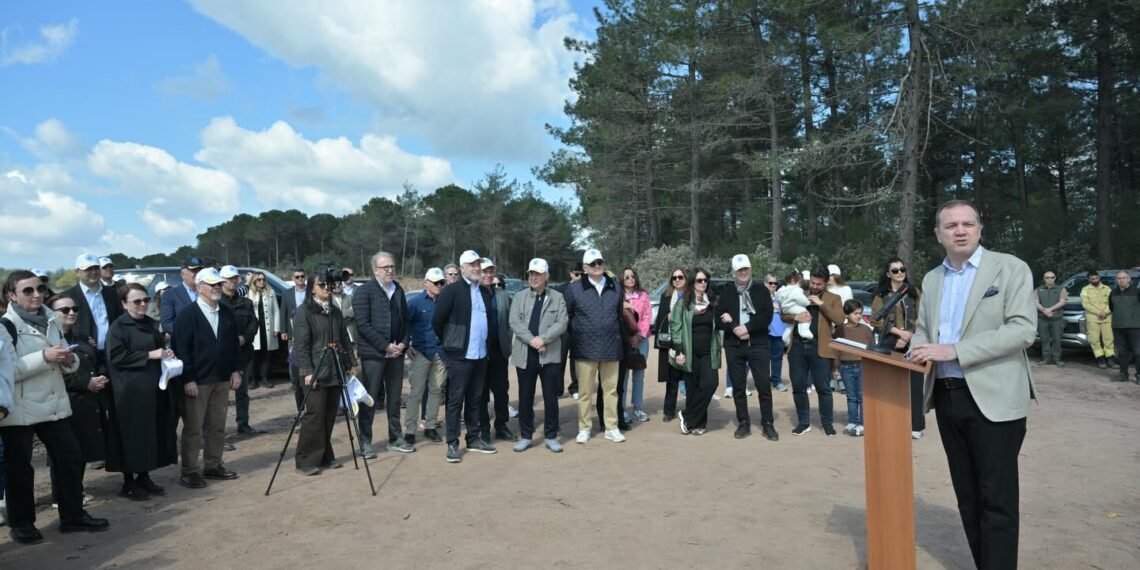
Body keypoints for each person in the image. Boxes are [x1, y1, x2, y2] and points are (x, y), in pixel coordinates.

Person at [910, 199, 1037, 570]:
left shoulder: (1010, 268)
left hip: (995, 399)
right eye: (951, 226)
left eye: (968, 223)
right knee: (967, 498)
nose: (960, 231)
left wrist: (955, 350)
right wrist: (916, 348)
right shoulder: (932, 279)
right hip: (947, 397)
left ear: (980, 229)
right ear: (938, 234)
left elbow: (1022, 330)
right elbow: (923, 330)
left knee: (997, 499)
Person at [0, 270, 110, 544]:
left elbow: (64, 359)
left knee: (70, 458)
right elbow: (8, 371)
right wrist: (45, 356)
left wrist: (70, 360)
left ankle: (72, 515)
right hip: (20, 409)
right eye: (28, 290)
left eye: (40, 289)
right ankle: (22, 523)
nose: (37, 294)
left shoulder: (50, 319)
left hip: (53, 404)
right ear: (11, 295)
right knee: (19, 468)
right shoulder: (5, 326)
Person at [104, 283, 179, 500]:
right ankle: (128, 481)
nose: (143, 304)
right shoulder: (119, 327)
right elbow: (116, 356)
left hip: (152, 387)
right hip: (130, 391)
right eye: (137, 301)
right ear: (124, 304)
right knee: (131, 435)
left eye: (146, 300)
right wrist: (149, 355)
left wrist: (166, 354)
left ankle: (144, 476)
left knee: (150, 433)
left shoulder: (149, 323)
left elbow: (157, 349)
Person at [173, 267, 242, 489]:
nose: (216, 287)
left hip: (221, 378)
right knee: (193, 428)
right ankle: (190, 470)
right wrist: (188, 379)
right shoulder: (187, 315)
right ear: (199, 286)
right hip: (198, 381)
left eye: (218, 284)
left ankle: (213, 465)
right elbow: (181, 349)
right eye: (211, 284)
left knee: (217, 426)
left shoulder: (226, 312)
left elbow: (233, 345)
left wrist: (235, 370)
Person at [432, 250, 497, 462]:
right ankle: (452, 443)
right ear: (462, 269)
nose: (476, 268)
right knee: (455, 401)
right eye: (471, 265)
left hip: (480, 355)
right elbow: (437, 320)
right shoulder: (452, 291)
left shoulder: (485, 292)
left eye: (477, 264)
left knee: (475, 399)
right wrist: (451, 344)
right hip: (459, 356)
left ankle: (473, 438)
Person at [292, 274, 357, 475]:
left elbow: (344, 338)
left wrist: (351, 362)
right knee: (314, 416)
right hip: (315, 370)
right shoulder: (304, 312)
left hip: (334, 368)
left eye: (329, 284)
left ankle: (324, 456)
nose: (327, 288)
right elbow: (301, 346)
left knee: (329, 415)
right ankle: (305, 460)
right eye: (322, 285)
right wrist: (307, 372)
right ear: (312, 288)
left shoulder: (335, 311)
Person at [47, 295, 109, 496]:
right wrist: (85, 383)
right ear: (52, 314)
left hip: (86, 402)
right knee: (63, 453)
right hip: (63, 402)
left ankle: (75, 492)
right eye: (65, 310)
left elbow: (97, 359)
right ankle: (61, 496)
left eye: (75, 309)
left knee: (80, 449)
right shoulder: (48, 342)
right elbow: (52, 374)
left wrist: (101, 376)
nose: (72, 313)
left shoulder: (82, 338)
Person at [353, 251, 413, 457]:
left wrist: (404, 343)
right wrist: (385, 346)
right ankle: (365, 442)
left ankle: (395, 438)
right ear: (375, 270)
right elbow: (363, 325)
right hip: (374, 355)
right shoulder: (364, 292)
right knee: (369, 398)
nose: (389, 270)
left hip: (396, 355)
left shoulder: (398, 290)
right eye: (385, 267)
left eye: (392, 266)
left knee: (394, 399)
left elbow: (406, 321)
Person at [563, 249, 626, 444]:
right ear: (585, 268)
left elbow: (618, 315)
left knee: (611, 390)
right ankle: (584, 428)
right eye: (592, 263)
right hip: (584, 348)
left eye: (599, 262)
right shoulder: (574, 289)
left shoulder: (616, 287)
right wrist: (579, 335)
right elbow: (568, 317)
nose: (597, 266)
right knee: (585, 392)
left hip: (611, 347)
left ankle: (611, 427)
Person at [508, 258, 569, 452]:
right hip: (526, 354)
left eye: (538, 274)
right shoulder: (519, 297)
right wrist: (532, 341)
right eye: (531, 274)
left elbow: (562, 322)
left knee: (551, 397)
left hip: (549, 355)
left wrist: (543, 339)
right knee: (525, 397)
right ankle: (526, 436)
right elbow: (514, 322)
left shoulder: (557, 297)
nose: (533, 277)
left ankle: (551, 436)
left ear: (546, 276)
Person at [716, 254, 778, 441]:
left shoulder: (761, 291)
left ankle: (768, 423)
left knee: (763, 384)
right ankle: (743, 422)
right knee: (738, 386)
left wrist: (748, 327)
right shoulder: (727, 292)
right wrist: (734, 327)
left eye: (745, 269)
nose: (743, 273)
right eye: (739, 270)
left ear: (750, 269)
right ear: (733, 272)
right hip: (734, 345)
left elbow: (766, 315)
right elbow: (718, 317)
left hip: (757, 343)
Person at [784, 266, 845, 436]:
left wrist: (821, 304)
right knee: (798, 386)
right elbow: (783, 314)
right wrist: (794, 317)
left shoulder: (833, 298)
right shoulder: (799, 294)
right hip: (797, 346)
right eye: (812, 282)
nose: (815, 286)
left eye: (819, 284)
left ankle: (827, 423)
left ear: (826, 283)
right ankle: (803, 422)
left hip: (820, 347)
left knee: (823, 388)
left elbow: (840, 319)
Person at [870, 257, 926, 439]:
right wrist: (898, 333)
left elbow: (922, 316)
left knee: (915, 385)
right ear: (888, 274)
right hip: (890, 342)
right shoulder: (881, 296)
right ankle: (892, 422)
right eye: (895, 270)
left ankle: (916, 426)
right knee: (891, 385)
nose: (900, 273)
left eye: (902, 269)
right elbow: (875, 321)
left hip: (913, 342)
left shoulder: (913, 292)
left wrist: (908, 334)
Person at [670, 268, 721, 436]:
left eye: (706, 280)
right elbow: (675, 327)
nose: (703, 283)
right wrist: (679, 351)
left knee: (710, 384)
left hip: (709, 352)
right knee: (693, 389)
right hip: (689, 352)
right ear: (692, 282)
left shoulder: (713, 302)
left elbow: (719, 322)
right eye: (700, 280)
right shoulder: (683, 303)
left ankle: (687, 415)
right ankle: (697, 423)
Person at [405, 268, 448, 444]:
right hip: (421, 352)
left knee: (436, 391)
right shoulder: (415, 303)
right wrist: (406, 345)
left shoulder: (446, 303)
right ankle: (410, 430)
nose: (439, 285)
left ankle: (430, 426)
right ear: (426, 283)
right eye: (436, 282)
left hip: (441, 353)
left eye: (442, 282)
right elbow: (404, 324)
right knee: (416, 392)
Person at [62, 253, 124, 375]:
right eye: (88, 269)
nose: (93, 272)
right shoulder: (67, 297)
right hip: (84, 356)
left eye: (96, 268)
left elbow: (119, 320)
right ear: (77, 272)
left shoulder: (112, 293)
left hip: (112, 353)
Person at [478, 259, 516, 442]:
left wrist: (507, 339)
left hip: (498, 350)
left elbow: (511, 320)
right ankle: (483, 429)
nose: (488, 275)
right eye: (484, 271)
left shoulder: (502, 295)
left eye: (490, 271)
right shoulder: (473, 294)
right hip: (478, 352)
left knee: (501, 391)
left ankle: (501, 426)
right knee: (480, 393)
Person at [219, 266, 258, 435]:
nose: (233, 282)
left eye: (235, 278)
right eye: (229, 279)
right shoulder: (216, 303)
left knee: (242, 392)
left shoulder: (246, 303)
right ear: (222, 281)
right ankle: (219, 429)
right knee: (220, 395)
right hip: (221, 355)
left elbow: (254, 323)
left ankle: (243, 423)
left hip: (243, 353)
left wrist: (245, 338)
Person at [653, 266, 687, 421]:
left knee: (690, 377)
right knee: (672, 379)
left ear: (686, 278)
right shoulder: (666, 295)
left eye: (680, 277)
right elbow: (660, 319)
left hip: (688, 341)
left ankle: (691, 410)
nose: (677, 280)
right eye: (674, 278)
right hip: (671, 341)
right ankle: (669, 411)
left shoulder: (691, 295)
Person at [618, 267, 651, 423]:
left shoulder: (643, 296)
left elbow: (647, 317)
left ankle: (638, 407)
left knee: (639, 375)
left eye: (632, 276)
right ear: (621, 279)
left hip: (641, 341)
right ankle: (622, 409)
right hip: (623, 341)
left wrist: (639, 336)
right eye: (627, 276)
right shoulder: (617, 296)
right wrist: (628, 337)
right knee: (623, 376)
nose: (630, 279)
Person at [836, 299, 873, 436]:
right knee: (851, 396)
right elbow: (835, 349)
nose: (858, 316)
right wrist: (835, 367)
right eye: (855, 313)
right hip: (846, 366)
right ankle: (852, 421)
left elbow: (872, 348)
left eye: (860, 313)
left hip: (862, 366)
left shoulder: (866, 329)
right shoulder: (840, 330)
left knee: (862, 396)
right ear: (846, 314)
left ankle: (862, 424)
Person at [245, 271, 280, 389]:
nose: (262, 282)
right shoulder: (248, 293)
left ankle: (265, 378)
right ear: (254, 281)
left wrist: (276, 327)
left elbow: (276, 311)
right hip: (254, 329)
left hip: (267, 328)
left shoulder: (270, 292)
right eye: (259, 279)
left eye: (264, 279)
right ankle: (252, 379)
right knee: (252, 355)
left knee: (266, 354)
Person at [281, 267, 308, 410]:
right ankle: (295, 381)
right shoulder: (287, 293)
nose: (300, 279)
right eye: (297, 277)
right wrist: (283, 330)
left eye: (302, 276)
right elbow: (283, 312)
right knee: (293, 359)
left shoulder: (310, 291)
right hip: (292, 332)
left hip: (308, 330)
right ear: (293, 278)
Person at [160, 256, 205, 341]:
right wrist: (190, 334)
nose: (198, 274)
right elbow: (167, 323)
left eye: (200, 270)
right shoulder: (170, 294)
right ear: (182, 274)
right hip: (185, 343)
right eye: (194, 271)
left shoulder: (207, 292)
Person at [554, 268, 582, 398]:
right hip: (563, 329)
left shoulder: (586, 289)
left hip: (579, 329)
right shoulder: (561, 288)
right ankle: (557, 389)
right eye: (576, 274)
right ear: (571, 273)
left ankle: (575, 388)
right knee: (560, 358)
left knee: (576, 361)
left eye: (581, 274)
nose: (579, 276)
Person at [1081, 268, 1117, 369]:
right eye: (1092, 279)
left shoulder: (1107, 289)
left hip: (1106, 317)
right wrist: (1098, 312)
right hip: (1093, 318)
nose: (1095, 280)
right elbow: (1086, 304)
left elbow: (1112, 302)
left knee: (1109, 339)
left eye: (1096, 278)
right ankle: (1100, 358)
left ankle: (1110, 358)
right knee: (1094, 339)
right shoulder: (1085, 290)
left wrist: (1105, 312)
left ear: (1099, 277)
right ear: (1089, 279)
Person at [1109, 271, 1140, 383]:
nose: (1121, 280)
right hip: (1118, 327)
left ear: (1129, 279)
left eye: (1123, 278)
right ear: (1116, 280)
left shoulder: (1137, 292)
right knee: (1122, 352)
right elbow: (1111, 308)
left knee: (1137, 352)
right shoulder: (1113, 293)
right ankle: (1123, 374)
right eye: (1119, 278)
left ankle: (1139, 375)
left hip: (1135, 326)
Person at [1034, 270, 1067, 366]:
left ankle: (1057, 359)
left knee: (1057, 339)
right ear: (1044, 279)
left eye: (1052, 277)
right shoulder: (1038, 290)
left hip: (1056, 318)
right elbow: (1035, 302)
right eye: (1047, 277)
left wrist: (1050, 310)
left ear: (1055, 278)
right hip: (1042, 318)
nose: (1050, 279)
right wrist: (1044, 310)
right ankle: (1046, 358)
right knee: (1044, 339)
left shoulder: (1061, 289)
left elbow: (1062, 302)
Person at [763, 274, 788, 392]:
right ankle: (764, 381)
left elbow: (786, 312)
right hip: (765, 333)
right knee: (763, 359)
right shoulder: (760, 298)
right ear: (765, 283)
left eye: (775, 283)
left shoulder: (780, 297)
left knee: (777, 358)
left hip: (779, 333)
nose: (773, 285)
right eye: (770, 283)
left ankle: (776, 381)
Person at [774, 272, 813, 344]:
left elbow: (778, 300)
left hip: (786, 309)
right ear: (793, 280)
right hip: (794, 308)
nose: (801, 283)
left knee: (790, 325)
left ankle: (785, 336)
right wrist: (808, 302)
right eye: (800, 281)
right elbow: (801, 299)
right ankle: (804, 331)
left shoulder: (781, 291)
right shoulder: (796, 289)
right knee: (806, 315)